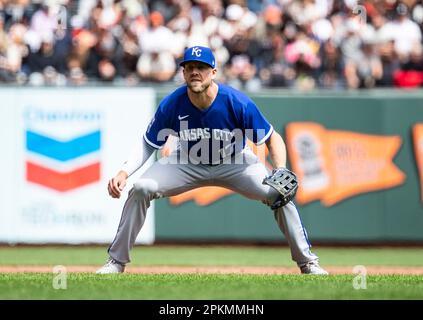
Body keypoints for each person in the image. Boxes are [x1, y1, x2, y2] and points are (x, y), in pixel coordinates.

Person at [96, 46, 328, 275]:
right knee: (141, 188)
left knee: (279, 192)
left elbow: (272, 137)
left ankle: (307, 263)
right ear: (183, 73)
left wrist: (280, 169)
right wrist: (124, 172)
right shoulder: (172, 104)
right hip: (186, 162)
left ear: (213, 72)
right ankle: (116, 262)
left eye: (201, 67)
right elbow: (149, 143)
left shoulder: (236, 102)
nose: (195, 72)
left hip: (235, 162)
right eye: (189, 68)